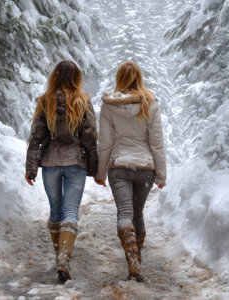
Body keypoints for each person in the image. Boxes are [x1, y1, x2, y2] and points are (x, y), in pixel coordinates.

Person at [25, 60, 98, 283]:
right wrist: (94, 166)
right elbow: (89, 137)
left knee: (56, 212)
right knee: (70, 213)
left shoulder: (45, 102)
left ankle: (60, 256)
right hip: (75, 162)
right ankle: (64, 259)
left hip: (50, 163)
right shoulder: (83, 102)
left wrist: (31, 168)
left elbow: (36, 137)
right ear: (77, 78)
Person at [95, 61, 166, 282]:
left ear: (120, 79)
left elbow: (105, 143)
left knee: (124, 214)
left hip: (120, 167)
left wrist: (100, 173)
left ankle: (132, 262)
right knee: (137, 214)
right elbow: (157, 143)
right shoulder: (150, 103)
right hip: (145, 169)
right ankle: (138, 260)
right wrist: (161, 174)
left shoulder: (109, 105)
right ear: (139, 78)